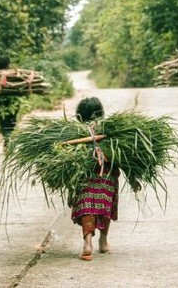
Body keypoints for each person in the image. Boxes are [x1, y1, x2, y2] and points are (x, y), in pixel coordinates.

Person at [69, 97, 119, 261]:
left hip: (86, 176)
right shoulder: (109, 130)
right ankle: (103, 241)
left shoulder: (73, 133)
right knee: (104, 205)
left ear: (79, 116)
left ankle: (87, 243)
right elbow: (121, 156)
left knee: (88, 206)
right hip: (106, 176)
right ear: (100, 113)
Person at [0, 55, 20, 147]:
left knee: (3, 120)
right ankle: (8, 138)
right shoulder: (14, 74)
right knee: (12, 119)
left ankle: (7, 138)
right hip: (15, 102)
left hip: (2, 102)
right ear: (8, 64)